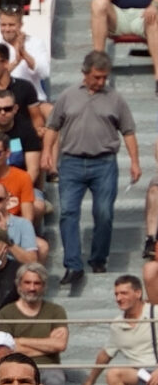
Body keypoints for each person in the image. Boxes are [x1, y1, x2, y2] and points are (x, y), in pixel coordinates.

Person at [44, 50, 139, 295]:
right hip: (72, 163)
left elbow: (128, 131)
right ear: (84, 73)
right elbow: (52, 126)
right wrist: (47, 152)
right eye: (96, 77)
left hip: (104, 163)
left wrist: (135, 162)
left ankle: (98, 258)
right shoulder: (67, 96)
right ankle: (73, 265)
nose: (100, 82)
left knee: (104, 212)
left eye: (104, 78)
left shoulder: (115, 99)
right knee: (68, 213)